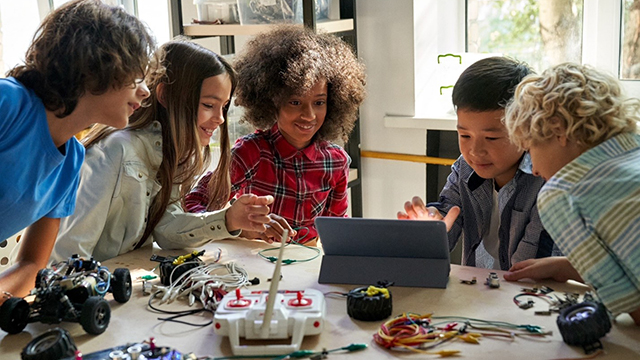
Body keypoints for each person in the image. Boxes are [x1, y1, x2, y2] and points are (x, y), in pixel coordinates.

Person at [51, 39, 274, 263]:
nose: (220, 119)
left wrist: (228, 219)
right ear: (165, 95)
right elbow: (68, 253)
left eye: (224, 107)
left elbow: (167, 229)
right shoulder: (115, 150)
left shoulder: (173, 152)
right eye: (208, 105)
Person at [0, 0, 156, 302]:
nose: (145, 90)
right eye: (136, 76)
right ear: (95, 66)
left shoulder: (72, 161)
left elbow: (33, 265)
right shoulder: (8, 103)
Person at [184, 25, 366, 244]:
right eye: (295, 102)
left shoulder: (336, 162)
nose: (308, 115)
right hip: (256, 266)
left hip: (305, 267)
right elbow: (193, 205)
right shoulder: (251, 153)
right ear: (272, 101)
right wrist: (239, 226)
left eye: (319, 102)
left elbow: (338, 234)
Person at [503, 63, 640, 325]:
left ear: (558, 130)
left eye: (531, 150)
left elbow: (634, 308)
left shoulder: (562, 193)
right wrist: (569, 266)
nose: (533, 169)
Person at [398, 57, 559, 270]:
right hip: (480, 294)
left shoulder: (546, 181)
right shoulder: (465, 169)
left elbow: (528, 274)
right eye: (464, 135)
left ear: (526, 129)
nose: (474, 151)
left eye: (491, 138)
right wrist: (430, 229)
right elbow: (446, 217)